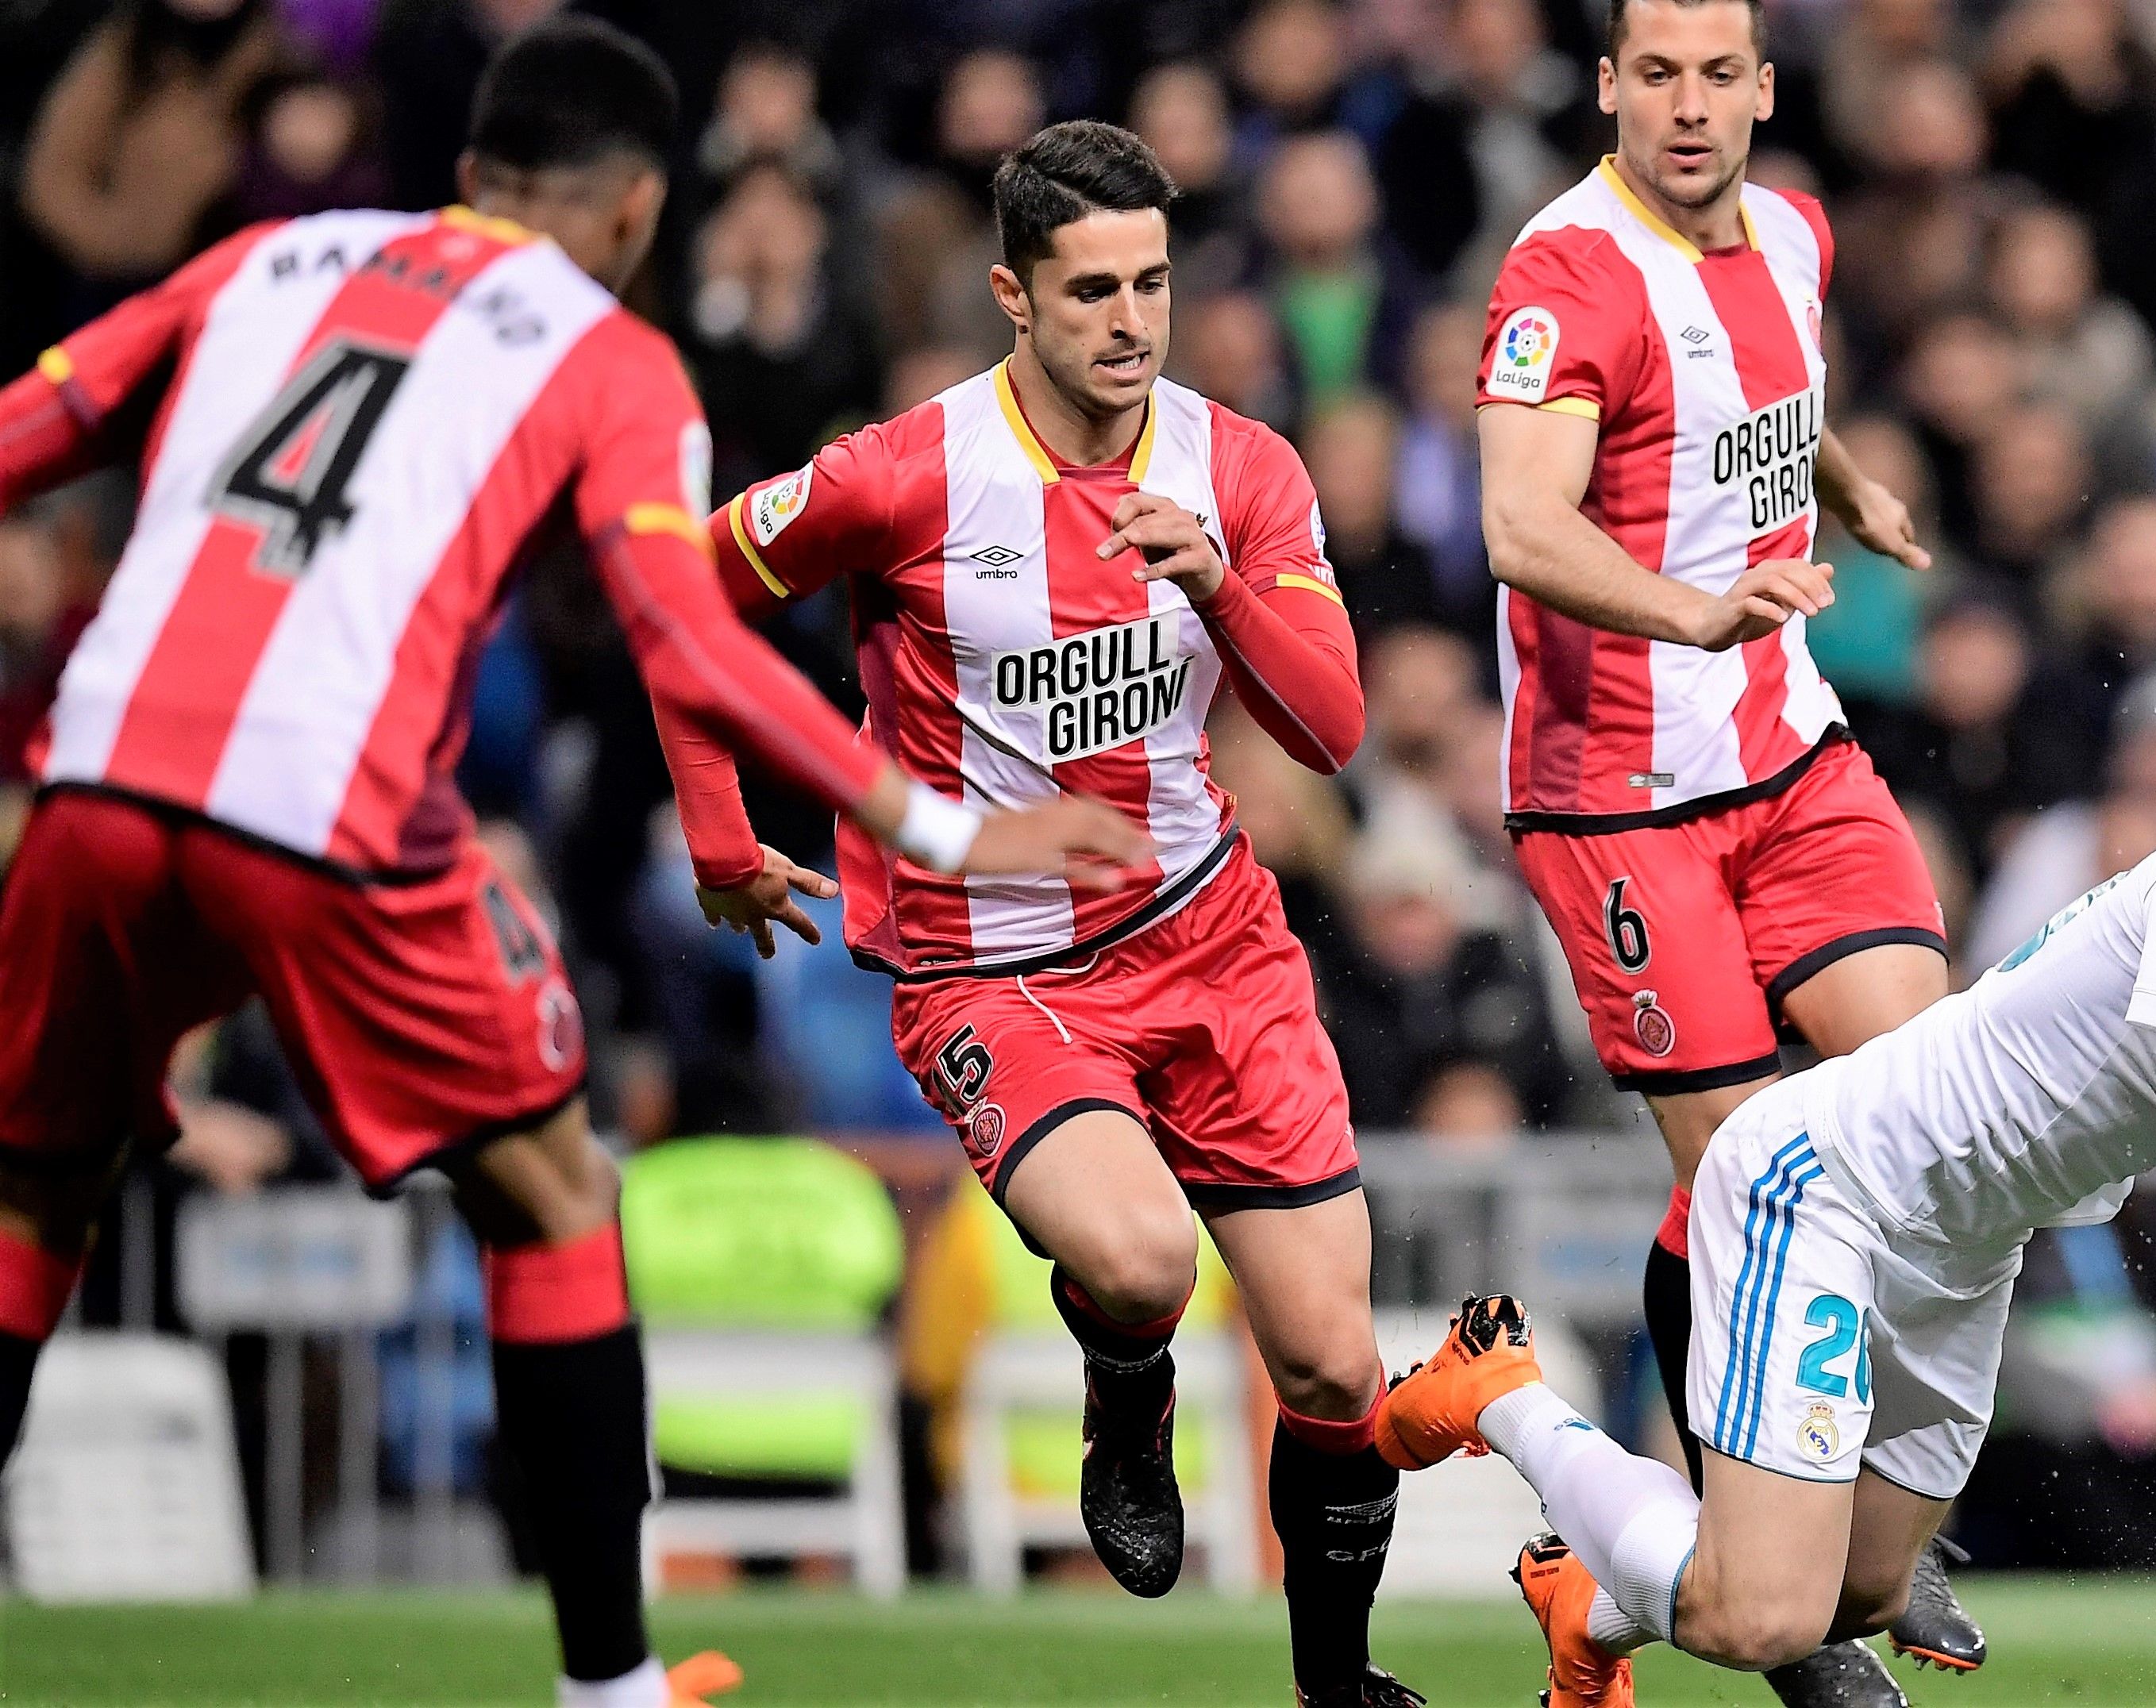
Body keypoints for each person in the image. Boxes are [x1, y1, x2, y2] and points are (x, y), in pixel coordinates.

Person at [0, 21, 1145, 1708]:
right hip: (322, 807)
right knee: (552, 1192)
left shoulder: (264, 255)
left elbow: (35, 418)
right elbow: (683, 634)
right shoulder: (611, 357)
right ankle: (609, 1689)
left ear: (468, 178)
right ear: (635, 214)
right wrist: (944, 825)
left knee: (35, 1194)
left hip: (92, 775)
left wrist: (710, 837)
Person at [1376, 652, 2156, 1701]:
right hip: (1826, 1187)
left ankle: (1589, 1599)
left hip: (1974, 1250)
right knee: (1763, 1622)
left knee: (1859, 1593)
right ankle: (1503, 1393)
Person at [657, 122, 1412, 1708]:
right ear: (1012, 294)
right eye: (1088, 291)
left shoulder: (1243, 468)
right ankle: (1124, 1384)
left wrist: (1216, 584)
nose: (1130, 321)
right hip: (993, 973)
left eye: (1150, 281)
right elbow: (686, 596)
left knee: (1336, 1361)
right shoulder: (904, 470)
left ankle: (1335, 1687)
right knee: (1144, 1262)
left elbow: (1331, 728)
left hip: (1211, 939)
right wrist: (723, 835)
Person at [1469, 1, 1977, 1694]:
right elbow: (1518, 522)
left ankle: (1842, 1540)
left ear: (1763, 88)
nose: (1687, 108)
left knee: (1937, 1113)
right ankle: (1771, 1590)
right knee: (1764, 1182)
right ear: (1608, 85)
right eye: (1654, 75)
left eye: (1717, 76)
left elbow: (1768, 397)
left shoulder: (1795, 231)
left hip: (1787, 749)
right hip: (1618, 799)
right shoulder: (1562, 278)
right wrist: (1692, 608)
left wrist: (1843, 485)